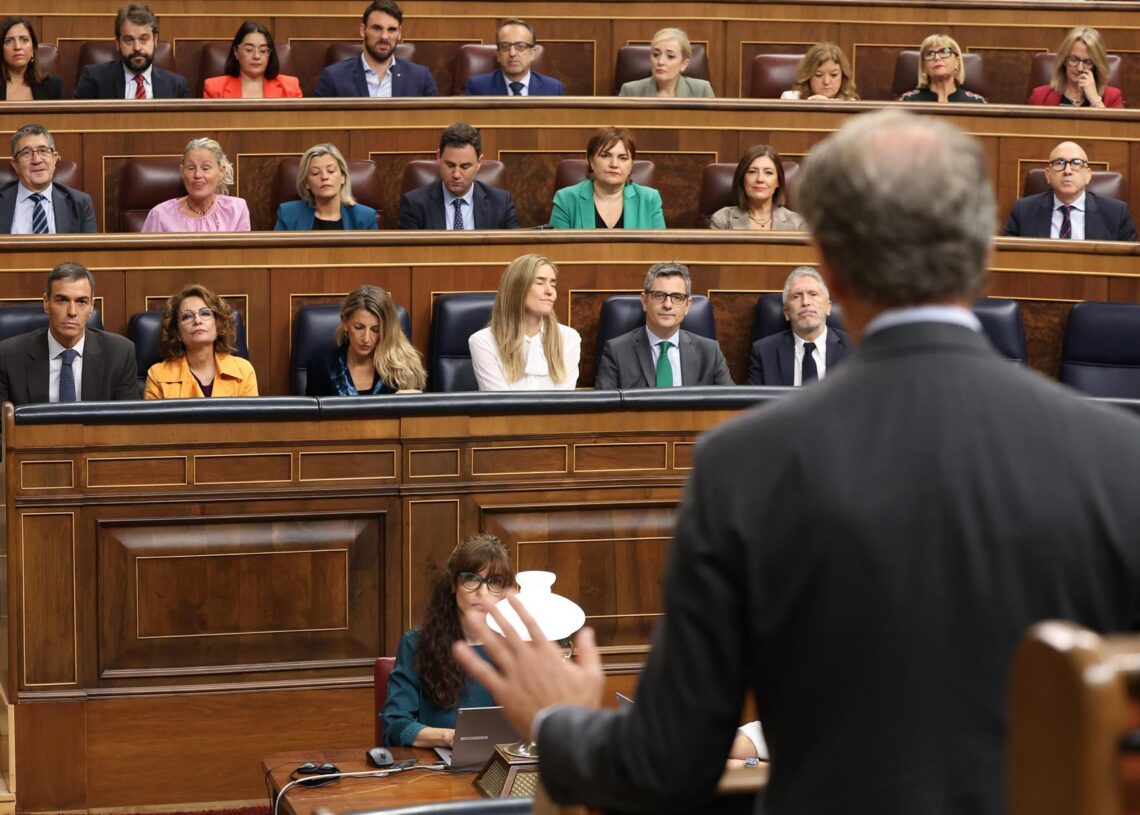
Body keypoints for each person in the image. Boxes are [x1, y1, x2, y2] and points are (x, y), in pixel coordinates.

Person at [453, 108, 1140, 814]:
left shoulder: (744, 464)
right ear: (981, 255)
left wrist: (560, 719)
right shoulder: (1119, 458)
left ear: (831, 268)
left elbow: (666, 764)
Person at [381, 534, 515, 747]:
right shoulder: (416, 643)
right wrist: (451, 738)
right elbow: (395, 725)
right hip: (437, 767)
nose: (482, 592)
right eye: (471, 579)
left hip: (503, 765)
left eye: (495, 581)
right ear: (453, 584)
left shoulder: (518, 646)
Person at [0, 263, 138, 405]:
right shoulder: (8, 356)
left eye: (81, 302)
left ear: (91, 307)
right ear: (46, 303)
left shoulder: (120, 354)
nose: (72, 311)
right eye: (62, 300)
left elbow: (129, 422)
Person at [594, 263, 732, 389]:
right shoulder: (616, 351)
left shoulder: (710, 352)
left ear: (687, 305)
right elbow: (603, 411)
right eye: (659, 295)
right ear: (644, 301)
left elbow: (731, 404)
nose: (667, 305)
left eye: (677, 297)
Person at [468, 254, 581, 391]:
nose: (550, 291)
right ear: (517, 289)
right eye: (540, 283)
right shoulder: (483, 341)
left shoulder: (569, 338)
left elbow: (565, 402)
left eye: (553, 284)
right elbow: (500, 404)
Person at [1003, 141, 1136, 241]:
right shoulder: (1023, 211)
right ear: (1048, 175)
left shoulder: (1116, 214)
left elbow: (1128, 265)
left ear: (1088, 175)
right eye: (1059, 163)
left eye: (1076, 163)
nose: (1067, 171)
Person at [305, 285, 425, 396]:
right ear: (345, 322)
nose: (366, 338)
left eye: (375, 329)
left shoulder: (402, 368)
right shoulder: (320, 367)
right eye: (359, 327)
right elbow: (309, 418)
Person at [144, 284, 257, 398]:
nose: (197, 321)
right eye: (187, 316)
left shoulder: (243, 371)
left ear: (218, 325)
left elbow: (250, 416)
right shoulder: (157, 376)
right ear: (176, 332)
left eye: (205, 313)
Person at [399, 123, 519, 230]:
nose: (456, 174)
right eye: (450, 165)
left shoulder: (501, 203)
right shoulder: (414, 204)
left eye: (465, 167)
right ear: (438, 157)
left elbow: (514, 250)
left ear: (479, 163)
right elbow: (409, 254)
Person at [747, 267, 851, 385]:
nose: (805, 302)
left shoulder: (855, 348)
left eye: (813, 294)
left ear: (828, 307)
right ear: (786, 312)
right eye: (796, 296)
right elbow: (754, 402)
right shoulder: (764, 352)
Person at [314, 0, 438, 98]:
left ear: (399, 33)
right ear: (363, 30)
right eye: (377, 28)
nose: (384, 36)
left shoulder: (421, 78)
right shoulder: (333, 77)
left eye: (392, 30)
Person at [550, 127, 665, 230]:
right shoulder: (566, 199)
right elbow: (558, 251)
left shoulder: (650, 199)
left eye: (623, 158)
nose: (614, 164)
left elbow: (659, 250)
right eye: (605, 156)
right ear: (591, 161)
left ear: (631, 165)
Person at [74, 3, 190, 99]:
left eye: (144, 39)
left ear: (155, 40)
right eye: (129, 40)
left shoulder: (176, 86)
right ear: (118, 43)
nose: (137, 47)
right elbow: (75, 123)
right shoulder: (94, 79)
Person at [0, 124, 97, 234]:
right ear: (15, 164)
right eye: (26, 153)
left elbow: (89, 251)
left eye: (43, 151)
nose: (36, 160)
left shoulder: (80, 204)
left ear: (54, 159)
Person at [141, 138, 250, 233]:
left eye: (205, 168)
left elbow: (242, 255)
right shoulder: (160, 215)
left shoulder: (237, 209)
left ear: (221, 171)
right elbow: (145, 256)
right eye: (191, 168)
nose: (197, 175)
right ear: (182, 172)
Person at [274, 143, 379, 231]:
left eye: (331, 171)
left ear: (343, 177)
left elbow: (373, 255)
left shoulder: (365, 217)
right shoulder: (288, 214)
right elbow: (277, 254)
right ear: (307, 182)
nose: (324, 177)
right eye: (315, 173)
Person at [709, 144, 806, 231]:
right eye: (752, 172)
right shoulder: (723, 220)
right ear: (743, 179)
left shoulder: (797, 224)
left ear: (778, 182)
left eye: (768, 172)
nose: (760, 179)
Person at [202, 20, 301, 99]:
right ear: (236, 51)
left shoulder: (290, 88)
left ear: (269, 54)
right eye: (249, 50)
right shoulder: (214, 89)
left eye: (263, 50)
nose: (256, 56)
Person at [1029, 26, 1123, 108]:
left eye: (1088, 62)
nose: (1080, 68)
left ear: (1096, 65)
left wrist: (1095, 101)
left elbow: (1115, 128)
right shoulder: (1039, 96)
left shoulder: (1113, 97)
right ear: (1064, 59)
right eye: (1074, 59)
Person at [464, 18, 564, 96]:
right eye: (505, 46)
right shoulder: (478, 87)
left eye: (520, 46)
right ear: (498, 54)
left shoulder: (553, 88)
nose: (512, 53)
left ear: (532, 53)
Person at [617, 28, 713, 98]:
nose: (660, 62)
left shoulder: (702, 90)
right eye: (656, 54)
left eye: (670, 56)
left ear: (684, 64)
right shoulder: (630, 91)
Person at [898, 33, 985, 103]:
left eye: (944, 52)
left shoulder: (975, 102)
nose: (937, 57)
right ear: (924, 66)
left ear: (957, 62)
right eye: (929, 54)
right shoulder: (908, 101)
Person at [1, 17, 62, 100]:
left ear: (33, 48)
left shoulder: (52, 86)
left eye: (24, 40)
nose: (17, 47)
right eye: (8, 41)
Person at [780, 42, 858, 100]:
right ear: (808, 76)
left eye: (833, 75)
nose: (826, 82)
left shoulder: (850, 103)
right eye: (819, 75)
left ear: (843, 76)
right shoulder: (790, 99)